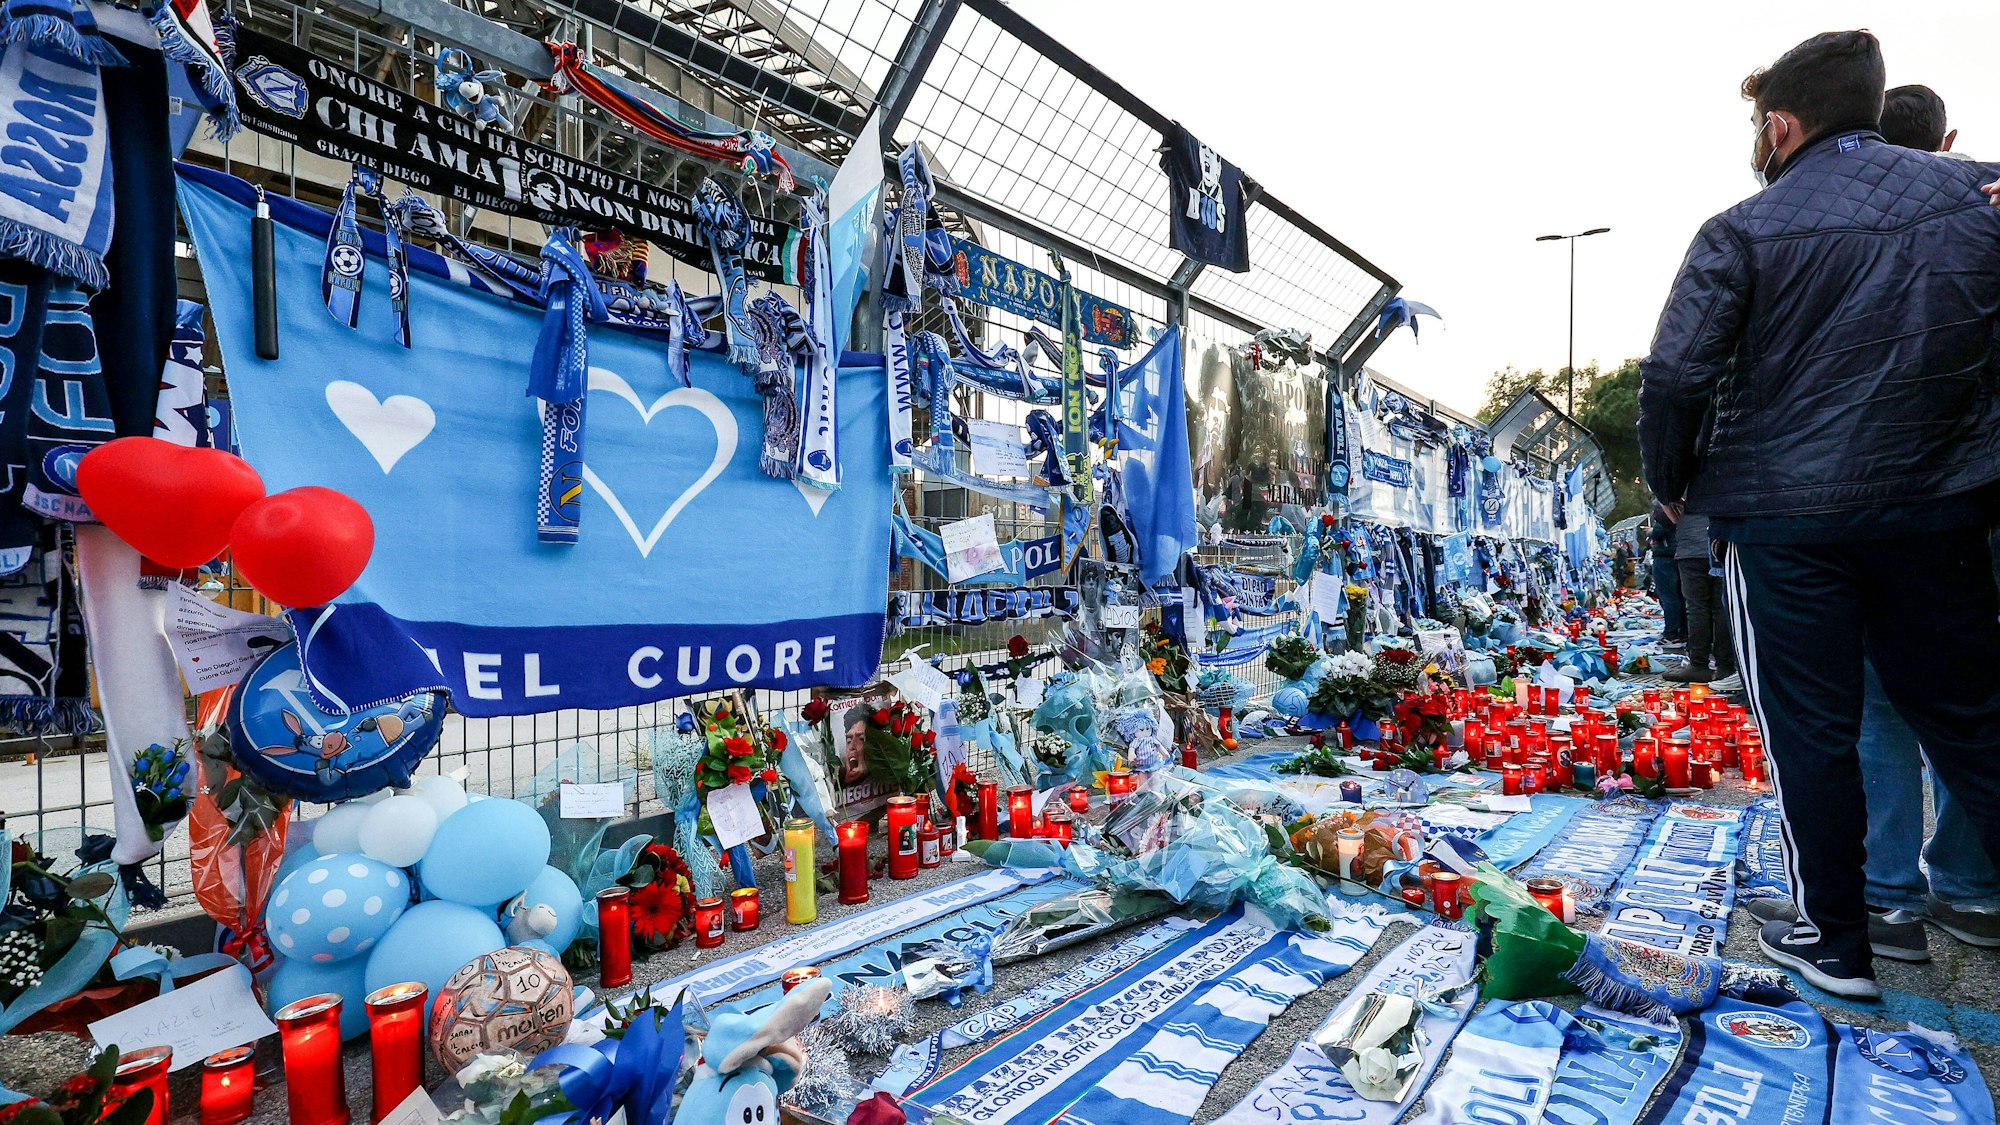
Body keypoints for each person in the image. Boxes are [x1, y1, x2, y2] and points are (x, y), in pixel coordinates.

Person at [1637, 30, 2000, 999]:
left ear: (1781, 124)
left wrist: (1668, 480)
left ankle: (1835, 940)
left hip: (1780, 521)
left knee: (1810, 729)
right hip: (1935, 512)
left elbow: (1675, 372)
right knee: (1970, 722)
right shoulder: (1974, 197)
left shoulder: (1742, 229)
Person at [1661, 509, 1736, 689]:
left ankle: (1699, 663)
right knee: (1721, 606)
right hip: (1720, 544)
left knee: (1697, 607)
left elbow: (1662, 516)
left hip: (1692, 548)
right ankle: (1725, 665)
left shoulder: (1681, 484)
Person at [1649, 502, 1685, 646]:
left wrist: (1650, 533)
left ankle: (1671, 632)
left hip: (1664, 559)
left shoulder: (1663, 518)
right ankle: (1683, 632)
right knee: (1681, 597)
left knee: (1668, 597)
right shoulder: (1683, 515)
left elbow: (1657, 533)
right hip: (1679, 557)